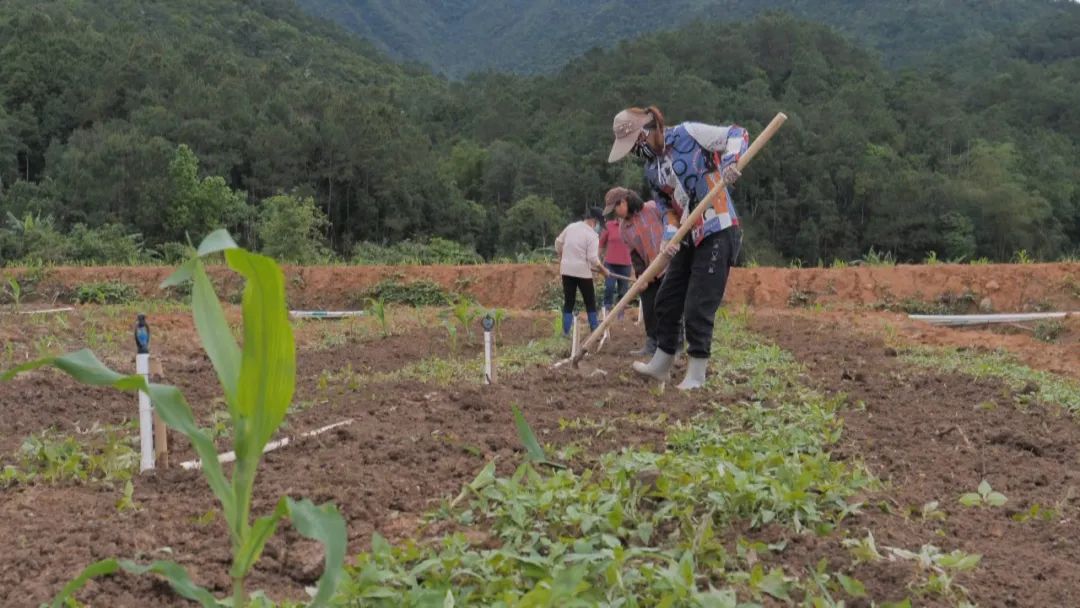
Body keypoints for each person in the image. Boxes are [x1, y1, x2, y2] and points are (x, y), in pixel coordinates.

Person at [607, 105, 747, 390]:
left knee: (698, 305)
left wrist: (731, 163)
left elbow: (737, 133)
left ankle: (696, 374)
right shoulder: (652, 170)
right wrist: (669, 237)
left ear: (651, 129)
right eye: (632, 148)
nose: (637, 151)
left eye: (637, 143)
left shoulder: (688, 134)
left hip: (717, 227)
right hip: (688, 233)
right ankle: (661, 363)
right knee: (666, 299)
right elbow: (667, 209)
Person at [603, 186, 665, 356]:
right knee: (648, 303)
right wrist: (641, 276)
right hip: (649, 270)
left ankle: (677, 343)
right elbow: (634, 254)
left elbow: (671, 223)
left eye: (615, 209)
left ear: (623, 202)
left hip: (669, 265)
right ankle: (652, 343)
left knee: (668, 304)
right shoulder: (624, 228)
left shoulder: (651, 208)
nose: (616, 215)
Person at [554, 207, 610, 336]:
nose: (598, 227)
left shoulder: (571, 227)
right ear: (593, 221)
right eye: (598, 224)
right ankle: (594, 328)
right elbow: (593, 259)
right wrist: (604, 270)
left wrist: (562, 256)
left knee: (569, 301)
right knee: (589, 300)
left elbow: (558, 243)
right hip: (582, 272)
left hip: (566, 270)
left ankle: (566, 332)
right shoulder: (592, 235)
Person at [598, 210, 631, 315]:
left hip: (626, 264)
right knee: (609, 287)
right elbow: (601, 243)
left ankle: (620, 314)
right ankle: (606, 310)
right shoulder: (609, 225)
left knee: (623, 291)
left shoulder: (631, 226)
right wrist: (597, 258)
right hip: (610, 264)